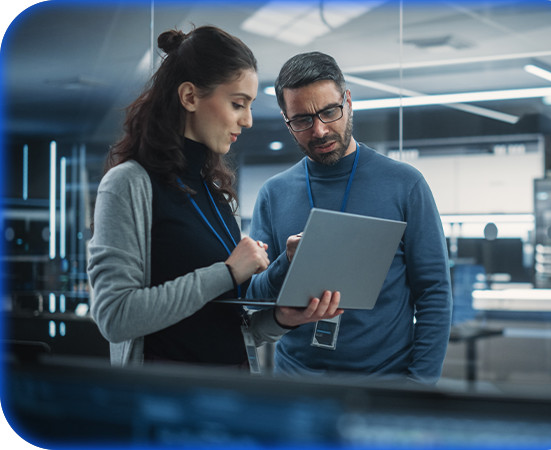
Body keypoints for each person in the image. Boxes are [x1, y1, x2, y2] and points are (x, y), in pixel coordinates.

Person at [87, 27, 342, 368]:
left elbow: (230, 326)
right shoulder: (128, 184)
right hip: (163, 405)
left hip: (229, 396)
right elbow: (115, 317)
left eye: (249, 106)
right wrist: (226, 273)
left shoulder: (218, 194)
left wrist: (282, 318)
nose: (248, 120)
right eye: (238, 104)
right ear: (190, 97)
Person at [247, 51, 452, 384]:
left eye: (330, 111)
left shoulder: (404, 184)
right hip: (297, 386)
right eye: (302, 120)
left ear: (349, 101)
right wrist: (286, 263)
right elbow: (254, 296)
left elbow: (434, 292)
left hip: (385, 385)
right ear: (286, 121)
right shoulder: (274, 194)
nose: (320, 130)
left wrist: (420, 384)